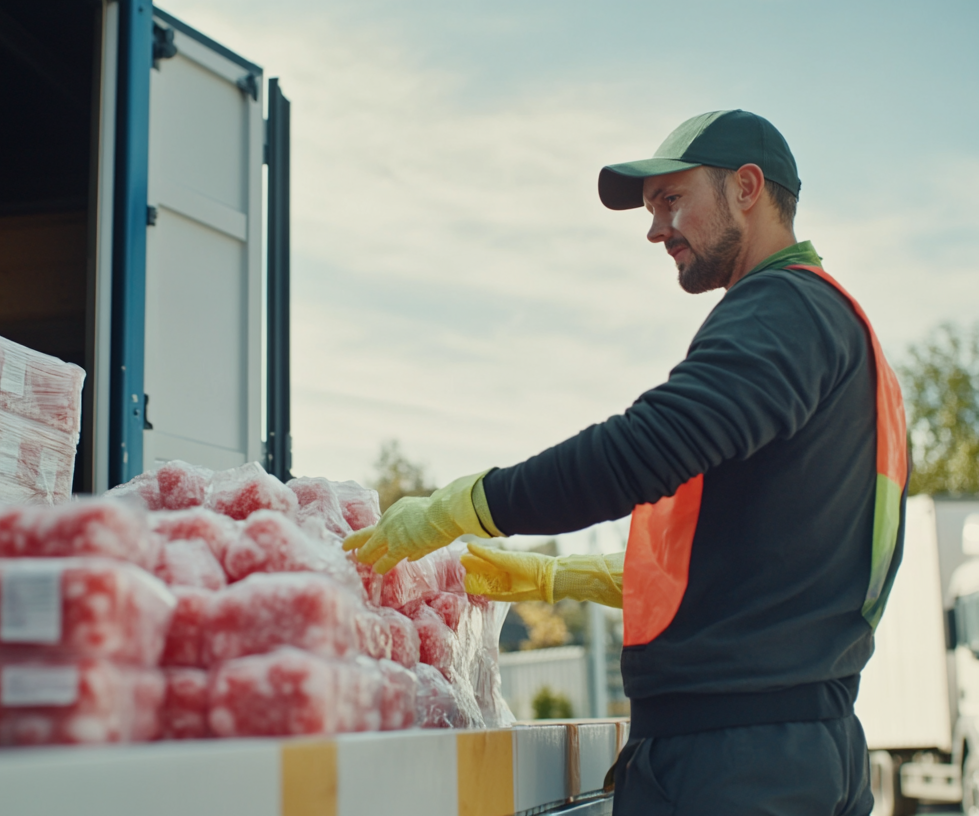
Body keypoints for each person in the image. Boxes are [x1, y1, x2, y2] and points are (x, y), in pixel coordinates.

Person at [344, 109, 909, 815]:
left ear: (746, 187)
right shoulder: (837, 327)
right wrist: (560, 576)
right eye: (650, 209)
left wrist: (460, 506)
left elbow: (642, 450)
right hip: (794, 748)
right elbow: (758, 563)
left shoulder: (781, 309)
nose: (654, 229)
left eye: (672, 200)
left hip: (736, 761)